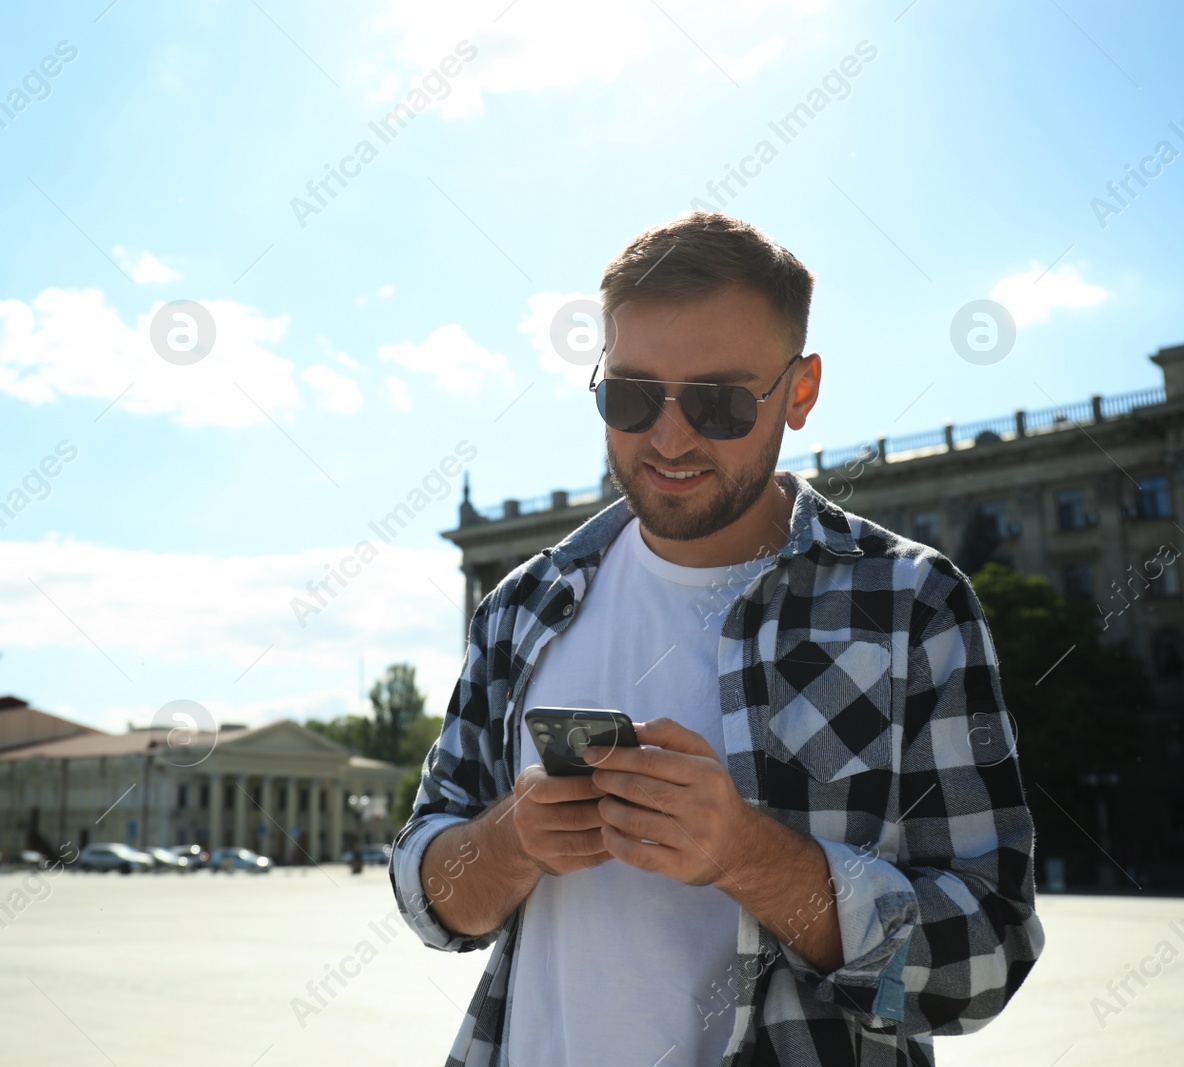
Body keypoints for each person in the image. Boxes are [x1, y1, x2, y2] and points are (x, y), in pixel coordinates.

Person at [388, 212, 1045, 1067]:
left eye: (721, 402)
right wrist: (508, 841)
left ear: (799, 393)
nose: (669, 437)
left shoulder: (913, 605)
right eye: (630, 394)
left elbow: (988, 957)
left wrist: (752, 857)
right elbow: (424, 888)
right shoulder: (522, 607)